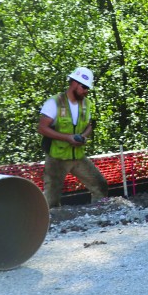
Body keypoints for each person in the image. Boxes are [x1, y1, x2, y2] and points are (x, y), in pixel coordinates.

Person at [38, 67, 109, 207]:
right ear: (75, 83)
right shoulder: (54, 103)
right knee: (51, 200)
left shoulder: (86, 104)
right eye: (84, 87)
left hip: (78, 156)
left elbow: (89, 126)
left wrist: (83, 136)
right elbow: (41, 128)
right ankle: (52, 225)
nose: (86, 91)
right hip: (57, 158)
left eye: (88, 88)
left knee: (100, 185)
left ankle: (99, 217)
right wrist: (68, 138)